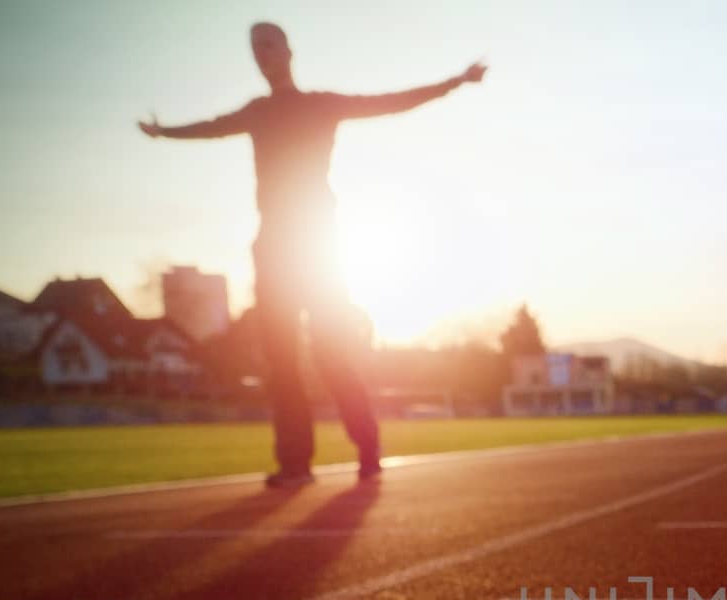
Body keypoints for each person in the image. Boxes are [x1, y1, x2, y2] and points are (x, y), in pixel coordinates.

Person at [140, 23, 486, 486]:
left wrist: (454, 83)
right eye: (254, 48)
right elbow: (210, 128)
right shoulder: (257, 112)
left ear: (287, 51)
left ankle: (367, 446)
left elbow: (390, 101)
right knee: (280, 359)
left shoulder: (322, 104)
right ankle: (295, 463)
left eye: (268, 44)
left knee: (330, 352)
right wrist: (164, 132)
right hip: (273, 244)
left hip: (317, 242)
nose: (262, 53)